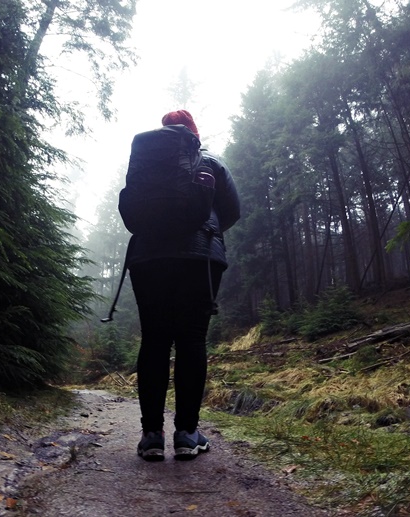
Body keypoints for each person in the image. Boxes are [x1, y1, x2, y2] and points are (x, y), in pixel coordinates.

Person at [129, 110, 240, 461]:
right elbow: (232, 211)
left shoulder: (146, 164)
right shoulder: (210, 163)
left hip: (148, 258)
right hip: (200, 257)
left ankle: (151, 436)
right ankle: (187, 434)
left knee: (154, 340)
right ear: (193, 135)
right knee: (191, 339)